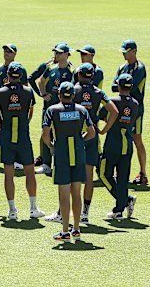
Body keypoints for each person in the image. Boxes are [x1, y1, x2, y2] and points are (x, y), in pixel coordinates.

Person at [45, 63, 118, 224]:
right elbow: (114, 111)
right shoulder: (99, 92)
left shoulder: (73, 90)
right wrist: (104, 130)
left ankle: (61, 213)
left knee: (66, 178)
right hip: (91, 138)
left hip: (72, 136)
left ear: (78, 75)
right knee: (88, 176)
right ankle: (84, 213)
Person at [0, 62, 45, 220]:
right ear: (21, 76)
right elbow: (30, 112)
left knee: (8, 174)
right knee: (30, 172)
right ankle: (33, 208)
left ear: (7, 76)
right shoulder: (28, 92)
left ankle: (12, 210)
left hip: (6, 137)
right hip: (23, 137)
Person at [42, 82, 96, 241]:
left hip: (62, 154)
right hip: (79, 153)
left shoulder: (51, 110)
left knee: (64, 195)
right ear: (73, 95)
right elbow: (91, 133)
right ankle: (77, 229)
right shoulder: (82, 110)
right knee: (76, 193)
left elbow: (45, 134)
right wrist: (80, 140)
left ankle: (65, 231)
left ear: (59, 95)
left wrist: (51, 146)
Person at [28, 42, 72, 168]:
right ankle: (45, 162)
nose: (56, 55)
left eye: (58, 52)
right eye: (55, 52)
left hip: (64, 110)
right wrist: (42, 94)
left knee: (61, 134)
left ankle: (61, 162)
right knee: (46, 132)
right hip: (48, 107)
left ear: (66, 54)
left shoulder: (71, 70)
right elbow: (37, 79)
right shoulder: (49, 66)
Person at [101, 74, 139, 220]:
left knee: (104, 174)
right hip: (127, 145)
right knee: (123, 179)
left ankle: (124, 200)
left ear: (118, 85)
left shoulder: (113, 101)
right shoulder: (135, 103)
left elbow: (101, 115)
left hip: (113, 144)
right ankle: (119, 209)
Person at [112, 40, 148, 185]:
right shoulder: (122, 67)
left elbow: (130, 88)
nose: (124, 55)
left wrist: (122, 86)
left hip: (135, 109)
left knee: (137, 139)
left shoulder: (140, 68)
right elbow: (114, 86)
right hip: (121, 107)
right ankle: (118, 172)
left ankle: (143, 173)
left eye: (126, 52)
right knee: (120, 137)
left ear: (134, 51)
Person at [0, 44, 27, 168]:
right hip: (0, 103)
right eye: (5, 51)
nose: (6, 53)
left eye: (9, 51)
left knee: (16, 130)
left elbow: (25, 89)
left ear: (15, 54)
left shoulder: (21, 69)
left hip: (15, 105)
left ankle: (17, 159)